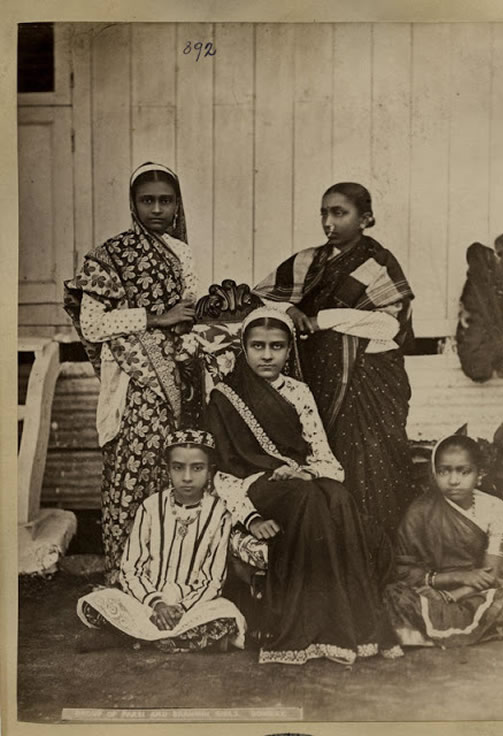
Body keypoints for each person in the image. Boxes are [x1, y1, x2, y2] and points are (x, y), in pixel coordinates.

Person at [207, 307, 402, 665]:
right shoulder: (225, 396)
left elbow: (326, 460)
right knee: (307, 498)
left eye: (277, 346)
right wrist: (250, 518)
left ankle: (355, 631)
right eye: (258, 346)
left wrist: (306, 473)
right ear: (244, 348)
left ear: (289, 350)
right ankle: (302, 632)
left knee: (338, 496)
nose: (267, 355)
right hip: (256, 487)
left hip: (300, 481)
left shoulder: (299, 392)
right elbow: (223, 473)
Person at [64, 162, 203, 583]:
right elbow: (92, 324)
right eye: (148, 200)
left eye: (166, 200)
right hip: (133, 381)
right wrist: (156, 318)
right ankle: (125, 575)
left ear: (178, 204)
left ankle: (170, 577)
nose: (157, 209)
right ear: (133, 204)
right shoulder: (109, 254)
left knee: (175, 473)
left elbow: (189, 311)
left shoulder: (181, 252)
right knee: (133, 472)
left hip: (178, 378)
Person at [253, 182, 416, 540]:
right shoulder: (310, 261)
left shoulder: (378, 264)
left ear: (366, 218)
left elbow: (389, 324)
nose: (329, 221)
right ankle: (338, 556)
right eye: (324, 212)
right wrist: (292, 308)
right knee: (327, 460)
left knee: (373, 468)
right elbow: (261, 299)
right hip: (320, 380)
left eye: (339, 212)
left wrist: (321, 320)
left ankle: (379, 556)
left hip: (370, 383)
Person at [383, 434, 503, 649]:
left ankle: (440, 630)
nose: (453, 480)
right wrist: (455, 578)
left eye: (464, 472)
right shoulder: (419, 511)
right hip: (434, 589)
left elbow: (490, 573)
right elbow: (405, 571)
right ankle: (497, 625)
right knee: (394, 596)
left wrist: (454, 595)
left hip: (482, 591)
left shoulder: (494, 507)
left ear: (480, 475)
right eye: (444, 471)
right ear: (434, 474)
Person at [76, 429, 246, 653]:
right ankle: (176, 640)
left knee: (227, 616)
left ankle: (131, 638)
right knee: (96, 601)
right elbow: (131, 568)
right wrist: (157, 604)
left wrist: (179, 608)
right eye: (178, 467)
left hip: (190, 608)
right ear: (167, 470)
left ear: (209, 470)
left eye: (197, 468)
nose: (187, 477)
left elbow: (213, 579)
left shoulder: (219, 513)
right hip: (146, 604)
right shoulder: (150, 506)